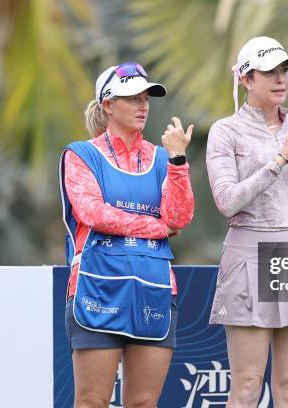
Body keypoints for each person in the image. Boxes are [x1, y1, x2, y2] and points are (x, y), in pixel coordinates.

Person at [206, 37, 288, 407]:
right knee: (248, 385)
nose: (281, 79)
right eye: (270, 72)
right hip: (249, 250)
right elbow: (227, 201)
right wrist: (279, 160)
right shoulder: (225, 131)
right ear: (246, 79)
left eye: (285, 71)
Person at [59, 62, 194, 408]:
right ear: (107, 104)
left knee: (144, 404)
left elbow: (180, 217)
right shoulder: (80, 155)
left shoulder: (164, 158)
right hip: (98, 285)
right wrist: (158, 228)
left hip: (154, 287)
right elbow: (93, 214)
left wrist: (178, 160)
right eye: (132, 98)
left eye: (146, 97)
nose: (143, 105)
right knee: (92, 401)